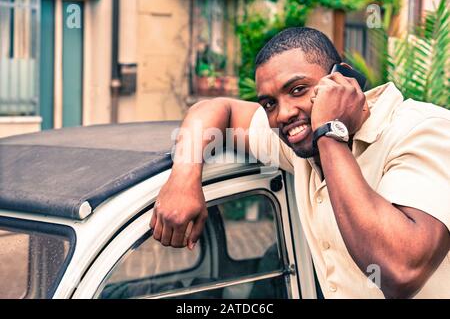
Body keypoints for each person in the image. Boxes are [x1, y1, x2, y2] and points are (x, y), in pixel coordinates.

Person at [150, 27, 450, 298]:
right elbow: (215, 109)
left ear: (342, 80)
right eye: (269, 103)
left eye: (298, 90)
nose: (282, 114)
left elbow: (400, 272)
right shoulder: (296, 142)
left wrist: (330, 134)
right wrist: (183, 178)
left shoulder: (423, 131)